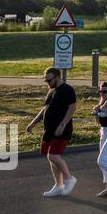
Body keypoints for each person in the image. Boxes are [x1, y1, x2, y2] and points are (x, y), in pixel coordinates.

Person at [25, 67, 78, 198]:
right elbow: (45, 109)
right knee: (52, 158)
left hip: (61, 130)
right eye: (46, 81)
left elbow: (72, 108)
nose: (48, 83)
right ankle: (58, 185)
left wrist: (63, 124)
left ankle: (69, 178)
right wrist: (33, 123)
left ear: (57, 77)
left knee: (53, 156)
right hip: (49, 130)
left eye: (49, 80)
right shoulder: (51, 91)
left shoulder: (67, 89)